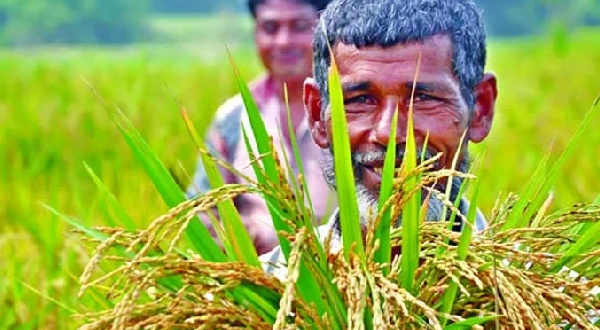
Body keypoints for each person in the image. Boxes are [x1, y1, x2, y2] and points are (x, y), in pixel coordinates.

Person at [260, 0, 498, 277]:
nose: (387, 132)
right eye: (360, 100)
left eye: (422, 98)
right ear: (317, 115)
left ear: (480, 109)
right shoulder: (268, 291)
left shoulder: (542, 300)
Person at [186, 0, 336, 255]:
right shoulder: (233, 117)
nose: (283, 42)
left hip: (345, 280)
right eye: (270, 27)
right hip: (256, 284)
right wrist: (241, 235)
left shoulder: (357, 111)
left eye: (300, 27)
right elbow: (200, 212)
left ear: (326, 30)